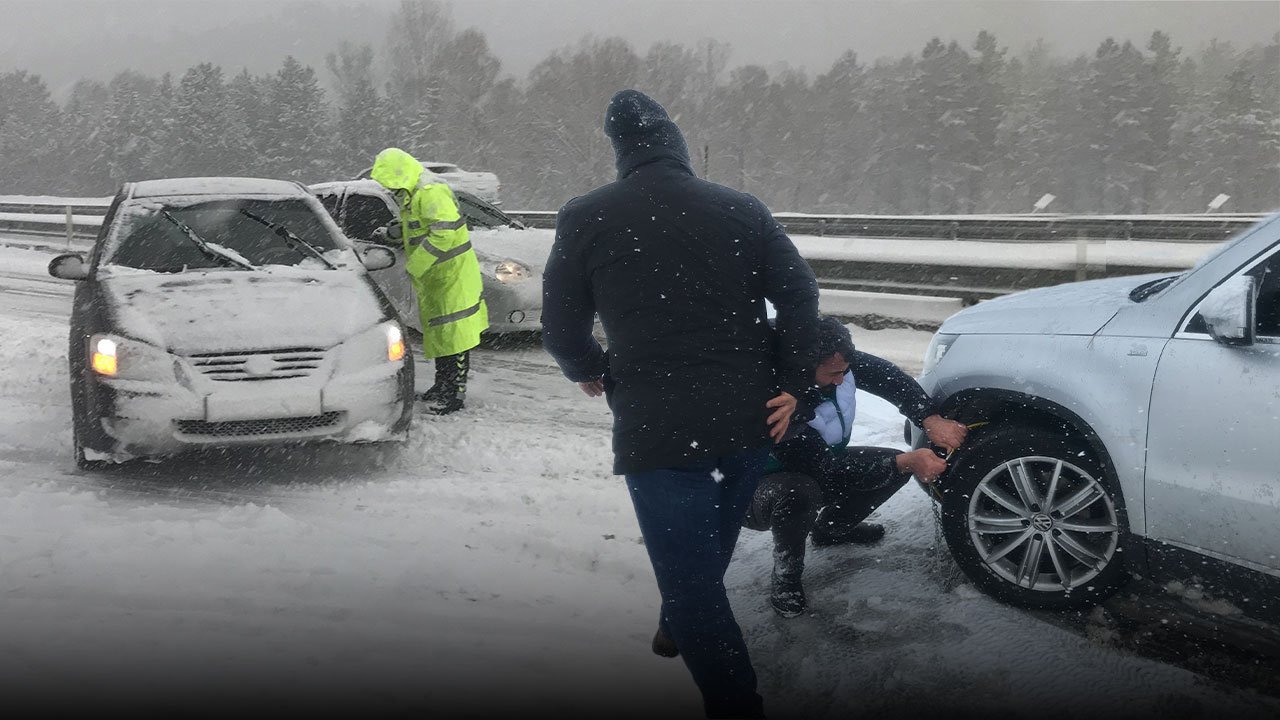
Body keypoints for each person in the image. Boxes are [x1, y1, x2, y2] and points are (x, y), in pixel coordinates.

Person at [541, 89, 820, 719]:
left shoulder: (587, 215)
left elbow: (560, 328)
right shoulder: (741, 208)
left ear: (620, 153)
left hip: (656, 425)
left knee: (690, 577)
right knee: (706, 548)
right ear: (679, 147)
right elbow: (802, 299)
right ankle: (675, 628)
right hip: (749, 417)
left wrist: (587, 369)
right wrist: (793, 384)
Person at [743, 316, 968, 617]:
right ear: (802, 364)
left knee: (889, 465)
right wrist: (905, 462)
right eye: (833, 373)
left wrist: (929, 417)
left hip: (814, 463)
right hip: (751, 488)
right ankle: (786, 576)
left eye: (845, 371)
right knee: (800, 492)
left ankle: (831, 530)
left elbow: (889, 378)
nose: (841, 379)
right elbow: (824, 470)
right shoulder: (773, 397)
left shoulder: (835, 361)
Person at [370, 147, 488, 415]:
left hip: (452, 275)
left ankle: (454, 394)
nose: (391, 190)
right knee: (441, 334)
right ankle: (442, 385)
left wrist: (416, 265)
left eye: (392, 184)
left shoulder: (430, 193)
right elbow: (415, 227)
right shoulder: (413, 194)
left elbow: (443, 234)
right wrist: (392, 233)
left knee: (455, 335)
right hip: (438, 276)